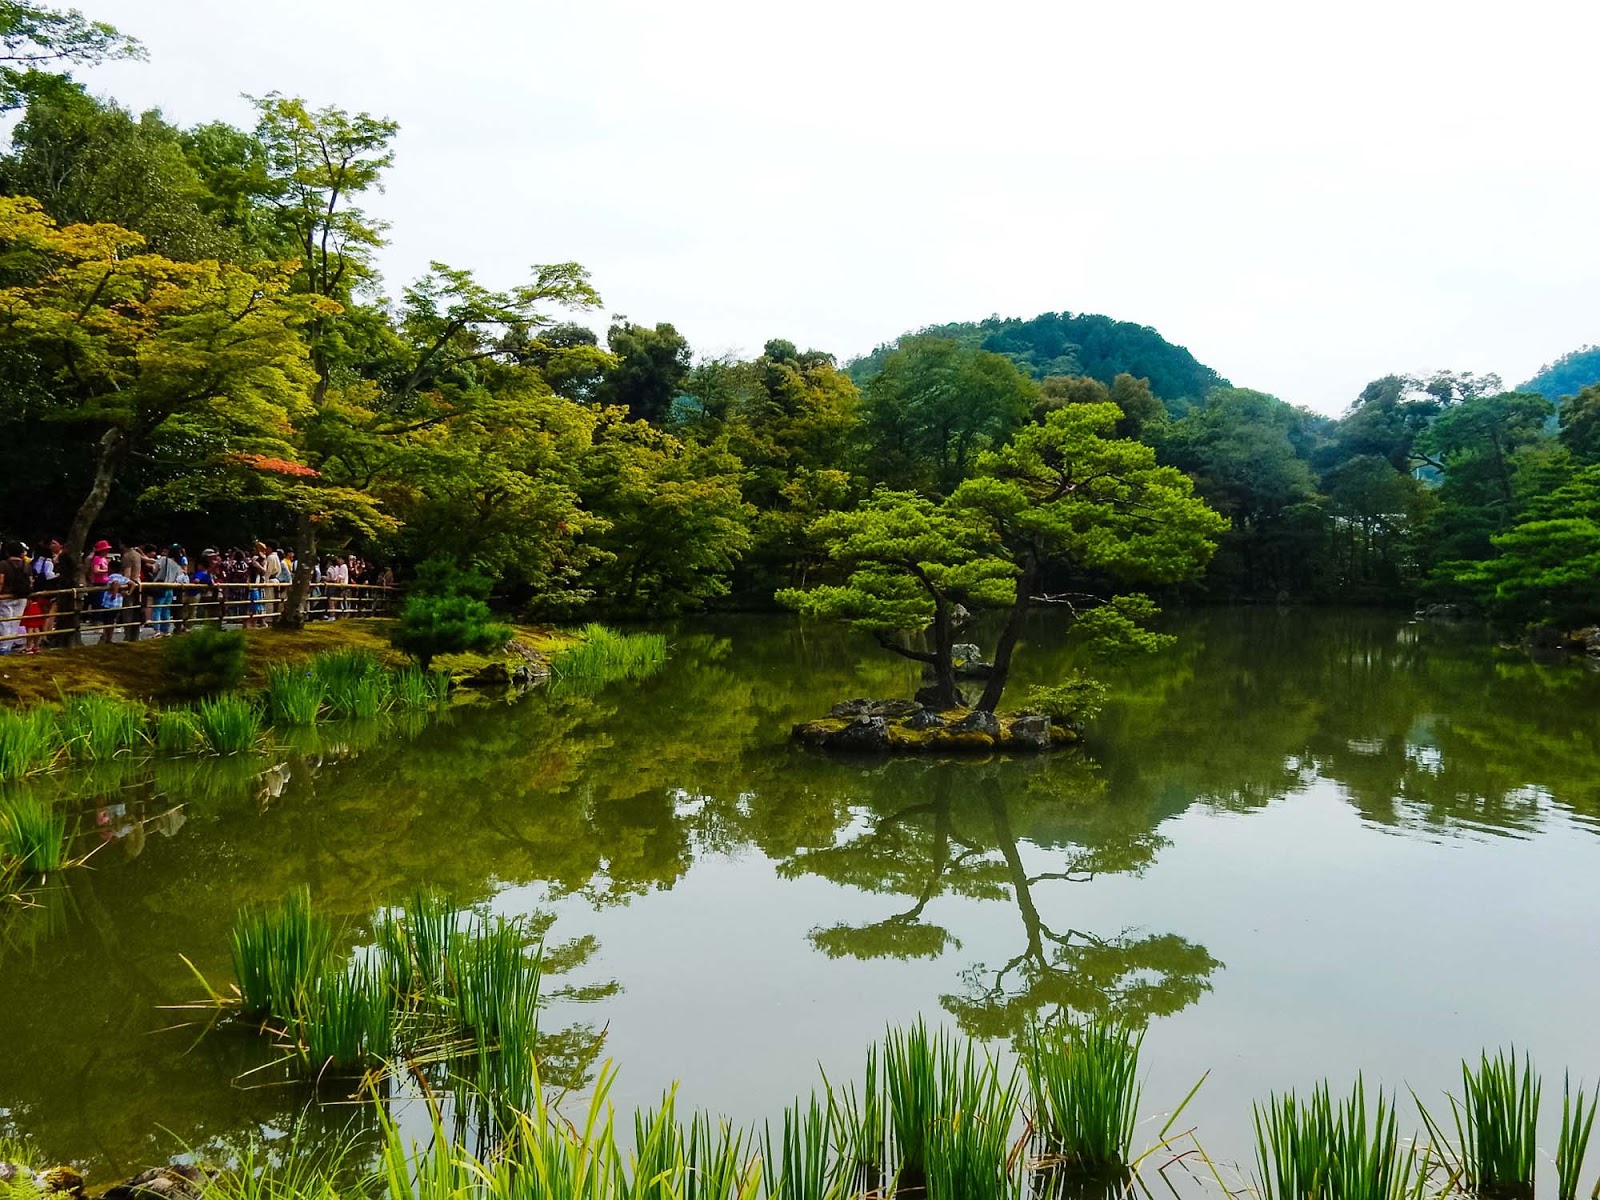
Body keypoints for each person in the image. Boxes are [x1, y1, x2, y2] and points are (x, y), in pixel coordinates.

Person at [149, 543, 187, 636]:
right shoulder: (177, 566)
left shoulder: (163, 559)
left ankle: (157, 630)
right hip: (170, 588)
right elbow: (180, 577)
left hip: (160, 586)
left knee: (157, 609)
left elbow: (155, 570)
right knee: (166, 609)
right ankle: (165, 630)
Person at [0, 541, 30, 654]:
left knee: (4, 621)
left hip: (6, 596)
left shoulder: (3, 564)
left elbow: (1, 581)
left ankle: (3, 646)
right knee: (15, 621)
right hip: (22, 596)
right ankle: (8, 645)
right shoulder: (27, 565)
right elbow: (31, 581)